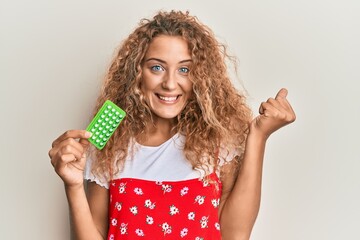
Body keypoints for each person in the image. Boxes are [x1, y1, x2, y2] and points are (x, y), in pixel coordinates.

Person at [48, 10, 295, 240]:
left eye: (184, 69)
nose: (169, 83)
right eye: (157, 67)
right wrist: (73, 185)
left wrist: (258, 137)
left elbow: (235, 236)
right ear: (136, 73)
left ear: (200, 77)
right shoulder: (110, 144)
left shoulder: (218, 140)